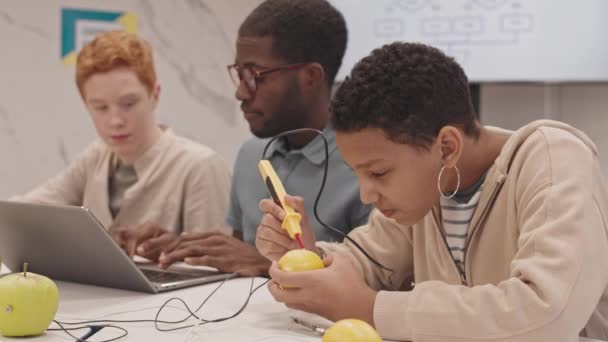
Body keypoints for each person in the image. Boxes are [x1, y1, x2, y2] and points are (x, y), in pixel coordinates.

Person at [256, 42, 608, 341]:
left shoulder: (552, 159)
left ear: (446, 148)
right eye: (358, 174)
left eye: (379, 172)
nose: (366, 195)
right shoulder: (425, 195)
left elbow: (548, 314)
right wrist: (308, 257)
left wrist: (371, 308)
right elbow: (365, 263)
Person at [158, 0, 372, 276]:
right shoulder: (250, 154)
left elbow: (381, 281)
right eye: (239, 74)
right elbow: (237, 262)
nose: (241, 93)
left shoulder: (368, 167)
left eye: (255, 75)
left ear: (310, 77)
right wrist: (178, 250)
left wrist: (268, 264)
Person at [12, 31, 232, 261]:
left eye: (129, 104)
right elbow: (25, 209)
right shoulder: (96, 157)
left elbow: (214, 269)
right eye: (100, 107)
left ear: (154, 94)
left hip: (180, 298)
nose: (115, 121)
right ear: (86, 104)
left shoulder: (201, 167)